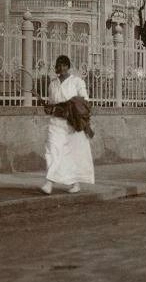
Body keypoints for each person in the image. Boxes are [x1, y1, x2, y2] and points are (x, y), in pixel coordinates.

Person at [38, 55, 94, 195]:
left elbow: (85, 101)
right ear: (56, 68)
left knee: (73, 154)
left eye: (64, 65)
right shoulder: (53, 84)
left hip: (72, 123)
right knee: (52, 150)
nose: (61, 68)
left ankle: (74, 183)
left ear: (69, 67)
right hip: (56, 123)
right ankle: (49, 183)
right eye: (59, 65)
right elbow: (52, 104)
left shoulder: (77, 82)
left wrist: (68, 106)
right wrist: (49, 107)